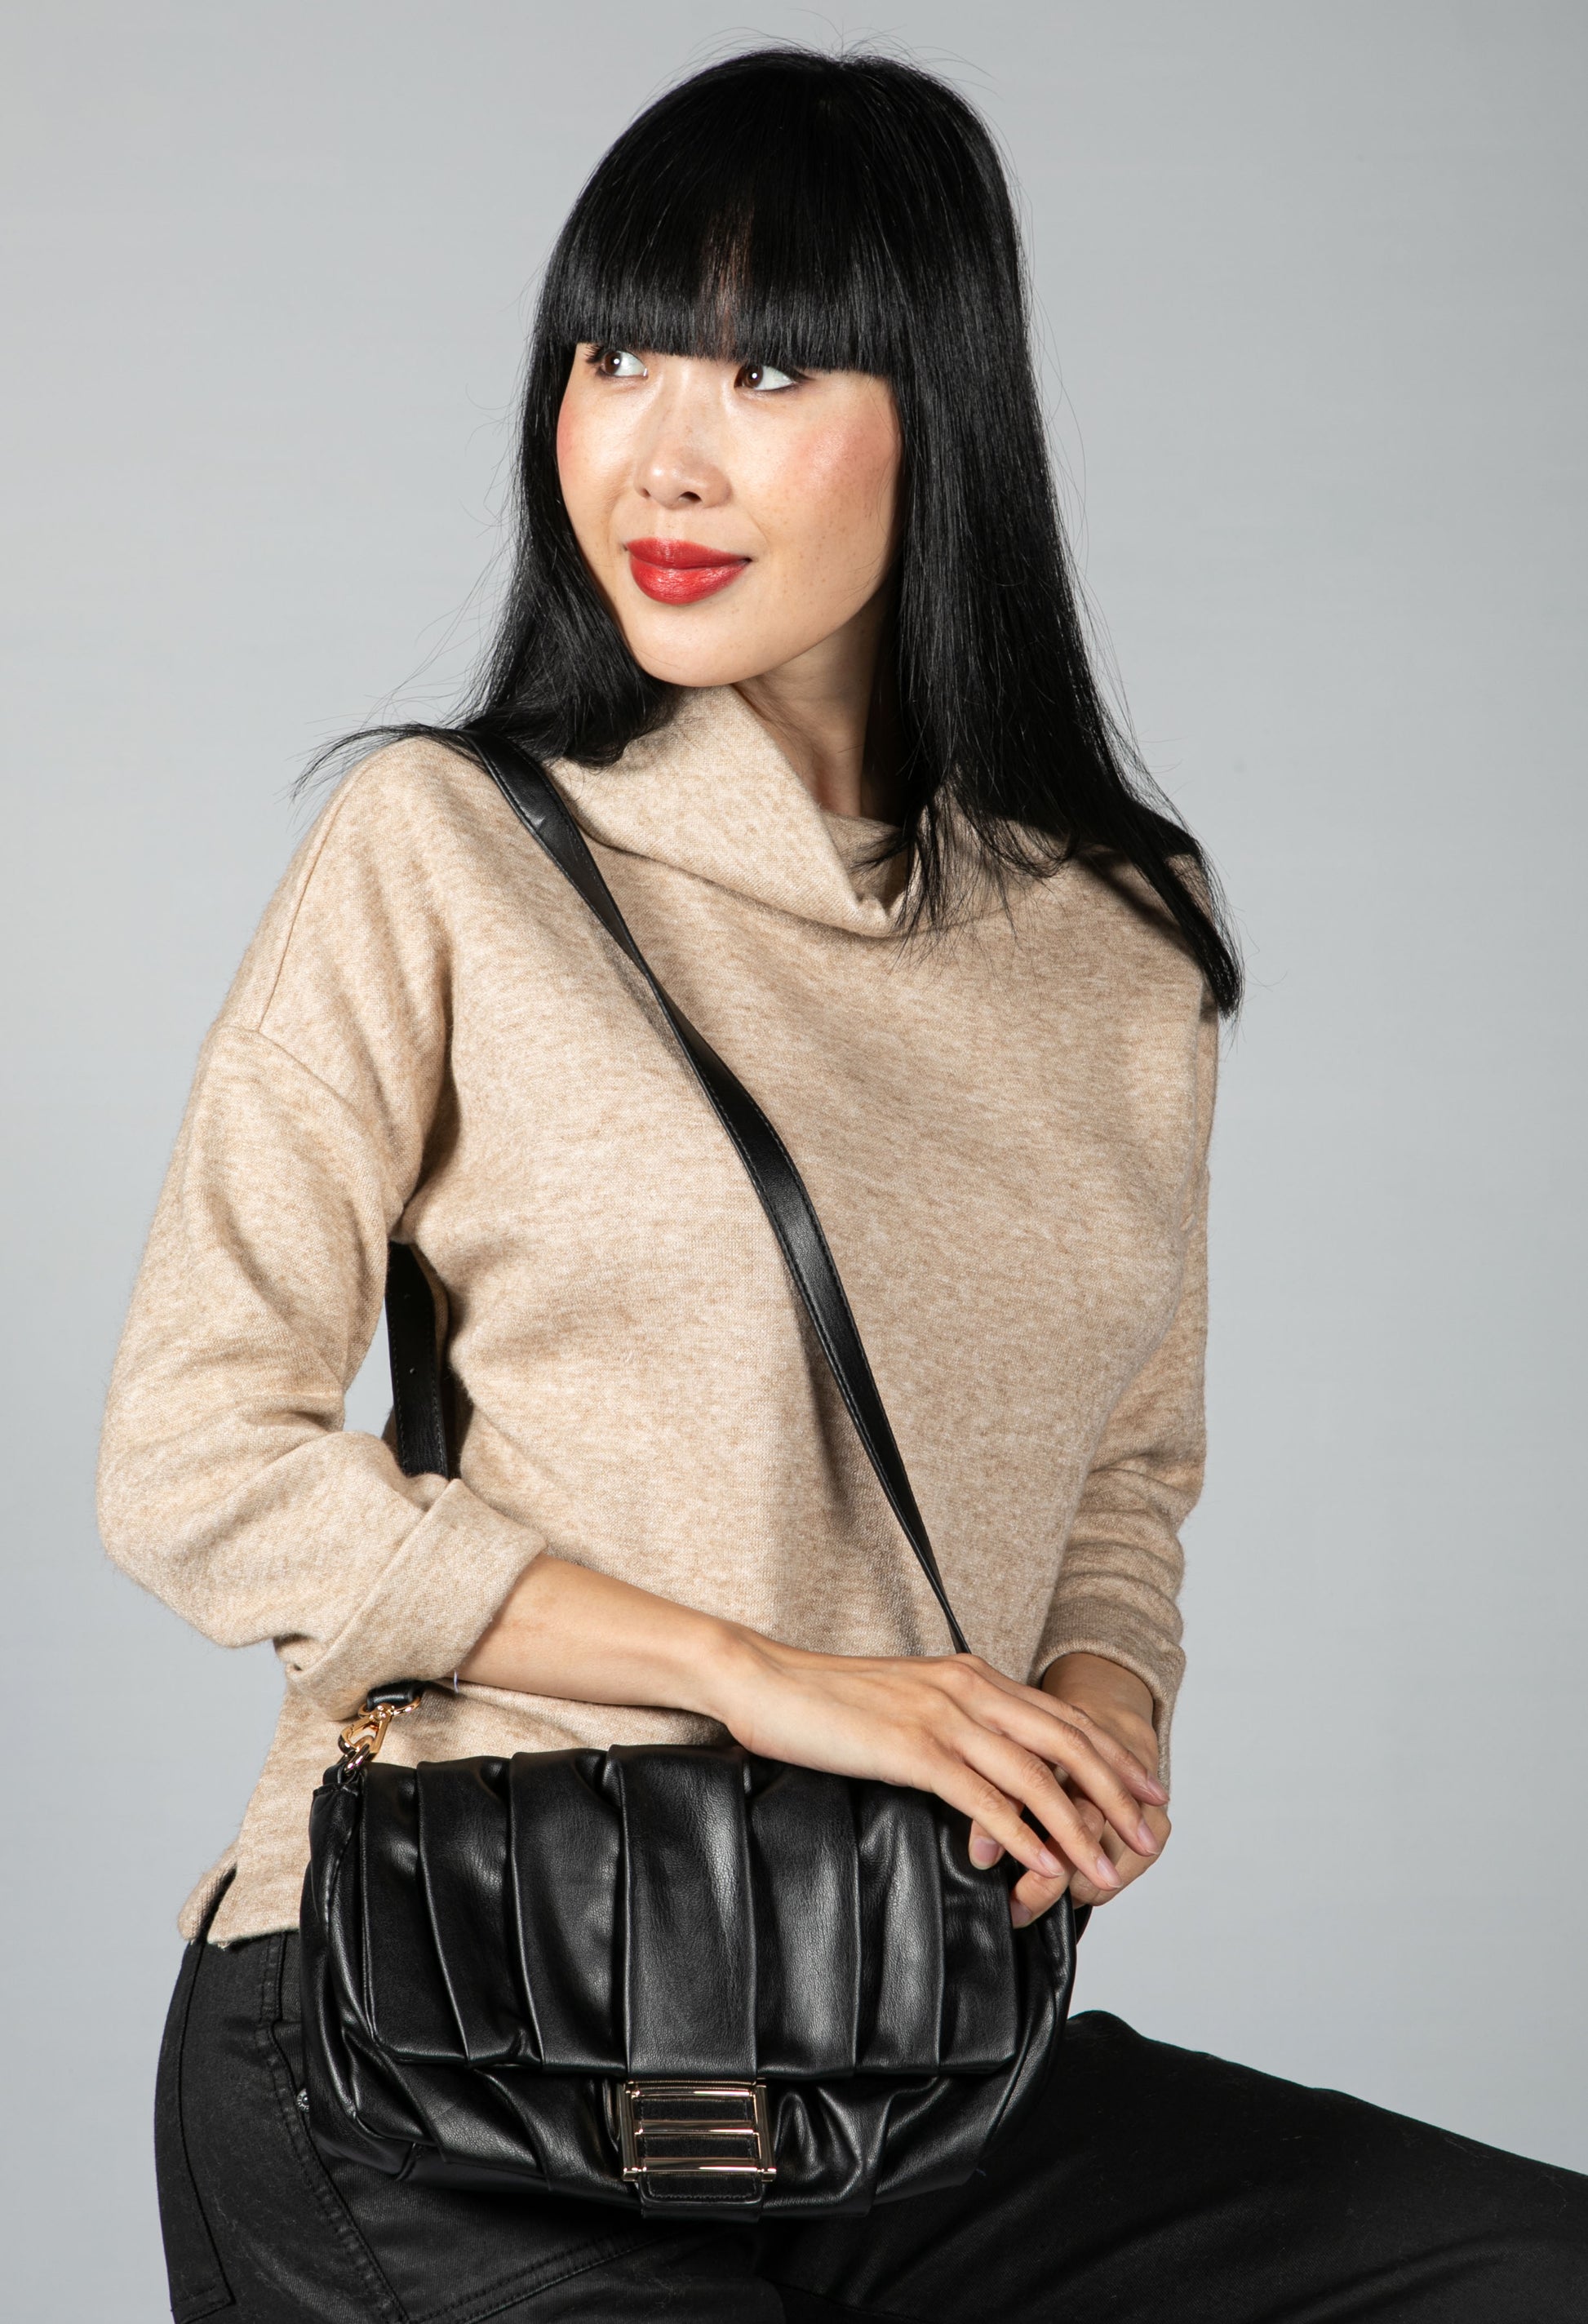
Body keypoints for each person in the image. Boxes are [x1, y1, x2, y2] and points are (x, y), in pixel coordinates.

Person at [99, 45, 1587, 2324]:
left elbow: (1127, 1465)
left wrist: (1103, 1702)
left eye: (770, 369)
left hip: (889, 2038)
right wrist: (764, 1680)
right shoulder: (450, 850)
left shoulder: (1116, 932)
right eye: (614, 359)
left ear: (941, 413)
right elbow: (197, 1462)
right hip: (439, 2032)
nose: (660, 455)